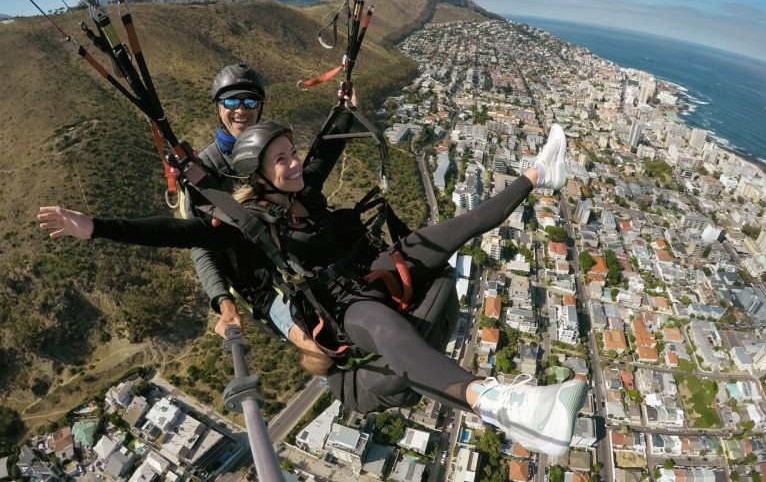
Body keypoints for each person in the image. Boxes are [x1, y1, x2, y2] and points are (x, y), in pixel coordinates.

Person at [39, 123, 588, 456]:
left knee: (447, 232)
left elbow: (327, 145)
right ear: (260, 172)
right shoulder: (246, 224)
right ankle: (500, 402)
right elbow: (174, 233)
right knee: (385, 328)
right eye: (281, 158)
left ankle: (538, 176)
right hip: (339, 309)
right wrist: (96, 227)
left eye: (292, 152)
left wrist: (345, 102)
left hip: (367, 270)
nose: (295, 161)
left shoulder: (306, 194)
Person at [188, 61, 334, 374]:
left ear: (260, 106)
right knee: (320, 349)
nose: (241, 109)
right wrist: (222, 300)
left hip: (300, 257)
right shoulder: (204, 172)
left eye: (249, 101)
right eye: (231, 101)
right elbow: (202, 246)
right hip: (262, 285)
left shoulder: (269, 149)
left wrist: (343, 114)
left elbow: (310, 174)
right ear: (218, 107)